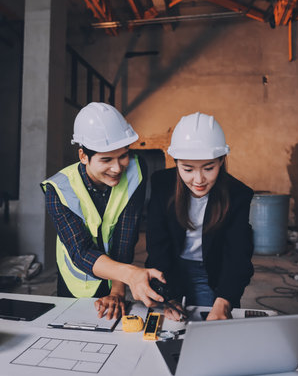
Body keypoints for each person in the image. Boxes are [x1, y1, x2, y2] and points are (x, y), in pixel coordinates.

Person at [41, 102, 165, 320]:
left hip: (117, 277)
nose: (117, 168)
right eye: (106, 159)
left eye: (123, 156)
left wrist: (117, 290)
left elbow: (125, 236)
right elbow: (80, 251)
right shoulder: (58, 189)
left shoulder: (136, 169)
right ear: (83, 156)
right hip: (76, 281)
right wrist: (131, 275)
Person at [146, 112, 254, 321]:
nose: (198, 179)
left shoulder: (238, 194)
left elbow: (238, 254)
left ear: (222, 160)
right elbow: (158, 246)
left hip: (212, 272)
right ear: (176, 162)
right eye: (187, 169)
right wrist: (169, 297)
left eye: (208, 168)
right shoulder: (162, 185)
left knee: (210, 331)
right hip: (170, 269)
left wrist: (223, 301)